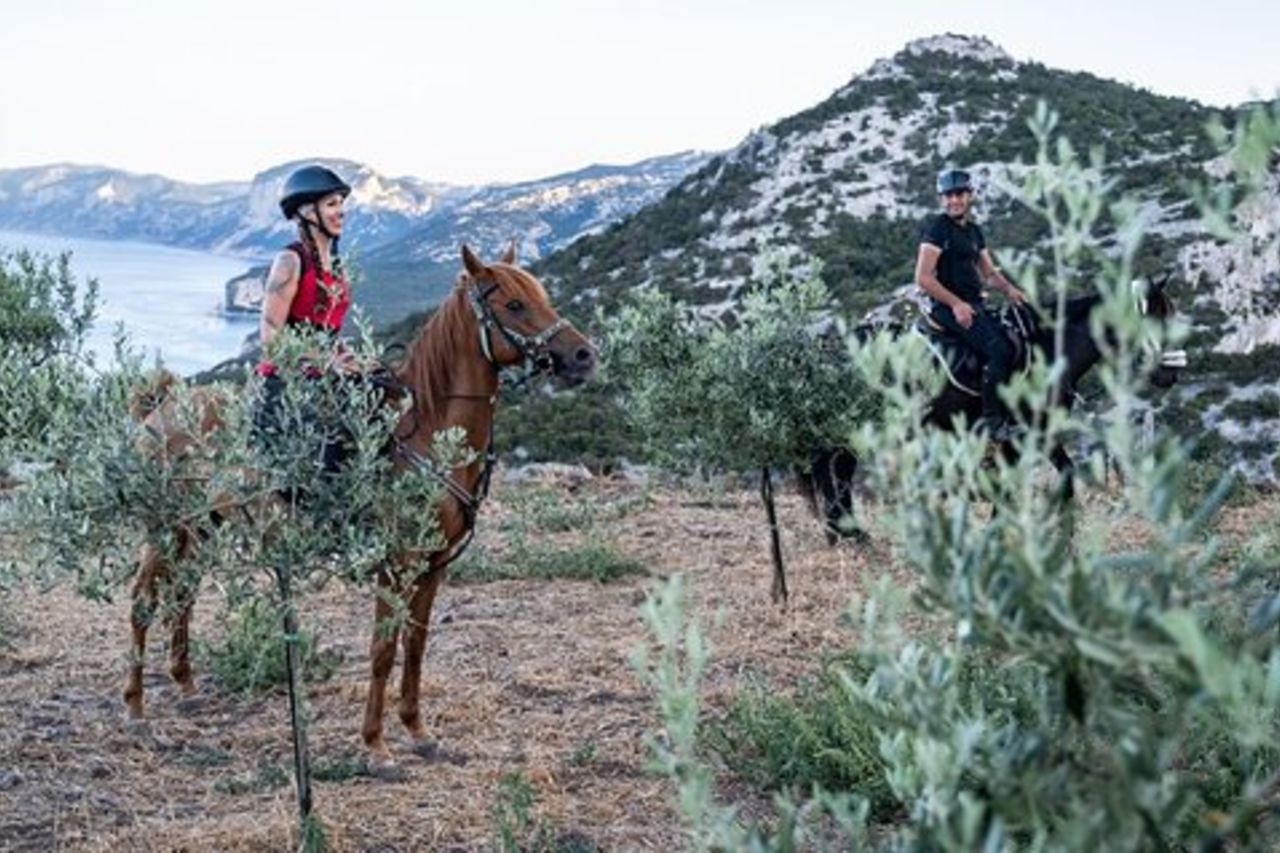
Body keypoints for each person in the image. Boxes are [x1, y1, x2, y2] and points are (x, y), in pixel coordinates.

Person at [254, 164, 360, 475]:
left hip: (325, 379)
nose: (341, 211)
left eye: (341, 203)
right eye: (331, 204)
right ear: (306, 212)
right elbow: (270, 336)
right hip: (286, 385)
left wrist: (347, 357)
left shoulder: (338, 267)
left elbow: (325, 331)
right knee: (319, 469)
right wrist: (325, 361)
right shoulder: (290, 261)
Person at [915, 168, 1027, 440]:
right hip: (946, 308)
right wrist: (956, 304)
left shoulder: (974, 232)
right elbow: (923, 278)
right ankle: (992, 422)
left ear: (970, 196)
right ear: (942, 199)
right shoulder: (938, 228)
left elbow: (988, 273)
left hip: (974, 305)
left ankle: (1003, 406)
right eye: (949, 195)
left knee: (1014, 338)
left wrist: (1010, 289)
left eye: (960, 194)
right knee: (998, 350)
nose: (954, 200)